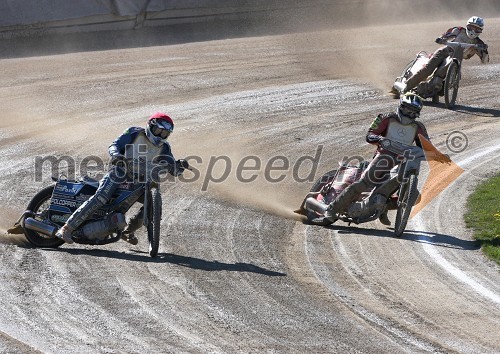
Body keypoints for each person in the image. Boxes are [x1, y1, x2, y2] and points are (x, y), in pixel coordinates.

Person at [55, 112, 188, 244]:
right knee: (101, 197)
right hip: (119, 171)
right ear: (150, 125)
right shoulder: (133, 132)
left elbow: (172, 167)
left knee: (152, 206)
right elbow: (114, 145)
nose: (160, 135)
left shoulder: (165, 147)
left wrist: (179, 167)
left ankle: (128, 231)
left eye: (164, 133)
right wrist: (116, 154)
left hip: (141, 181)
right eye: (158, 130)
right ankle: (67, 228)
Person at [325, 93, 430, 225]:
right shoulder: (386, 118)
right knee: (363, 184)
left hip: (403, 162)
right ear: (401, 107)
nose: (409, 114)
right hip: (384, 157)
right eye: (407, 109)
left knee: (414, 196)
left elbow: (426, 146)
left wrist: (438, 155)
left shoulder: (418, 127)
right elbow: (370, 135)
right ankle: (332, 209)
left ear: (418, 114)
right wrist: (380, 139)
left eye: (413, 112)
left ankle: (383, 206)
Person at [402, 16, 489, 94]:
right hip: (445, 51)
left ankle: (435, 88)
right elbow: (446, 35)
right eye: (472, 27)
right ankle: (405, 87)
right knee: (427, 70)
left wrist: (484, 51)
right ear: (467, 26)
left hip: (457, 59)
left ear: (480, 31)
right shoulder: (458, 30)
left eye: (476, 29)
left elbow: (485, 60)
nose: (473, 30)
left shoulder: (479, 43)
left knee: (455, 77)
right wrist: (441, 39)